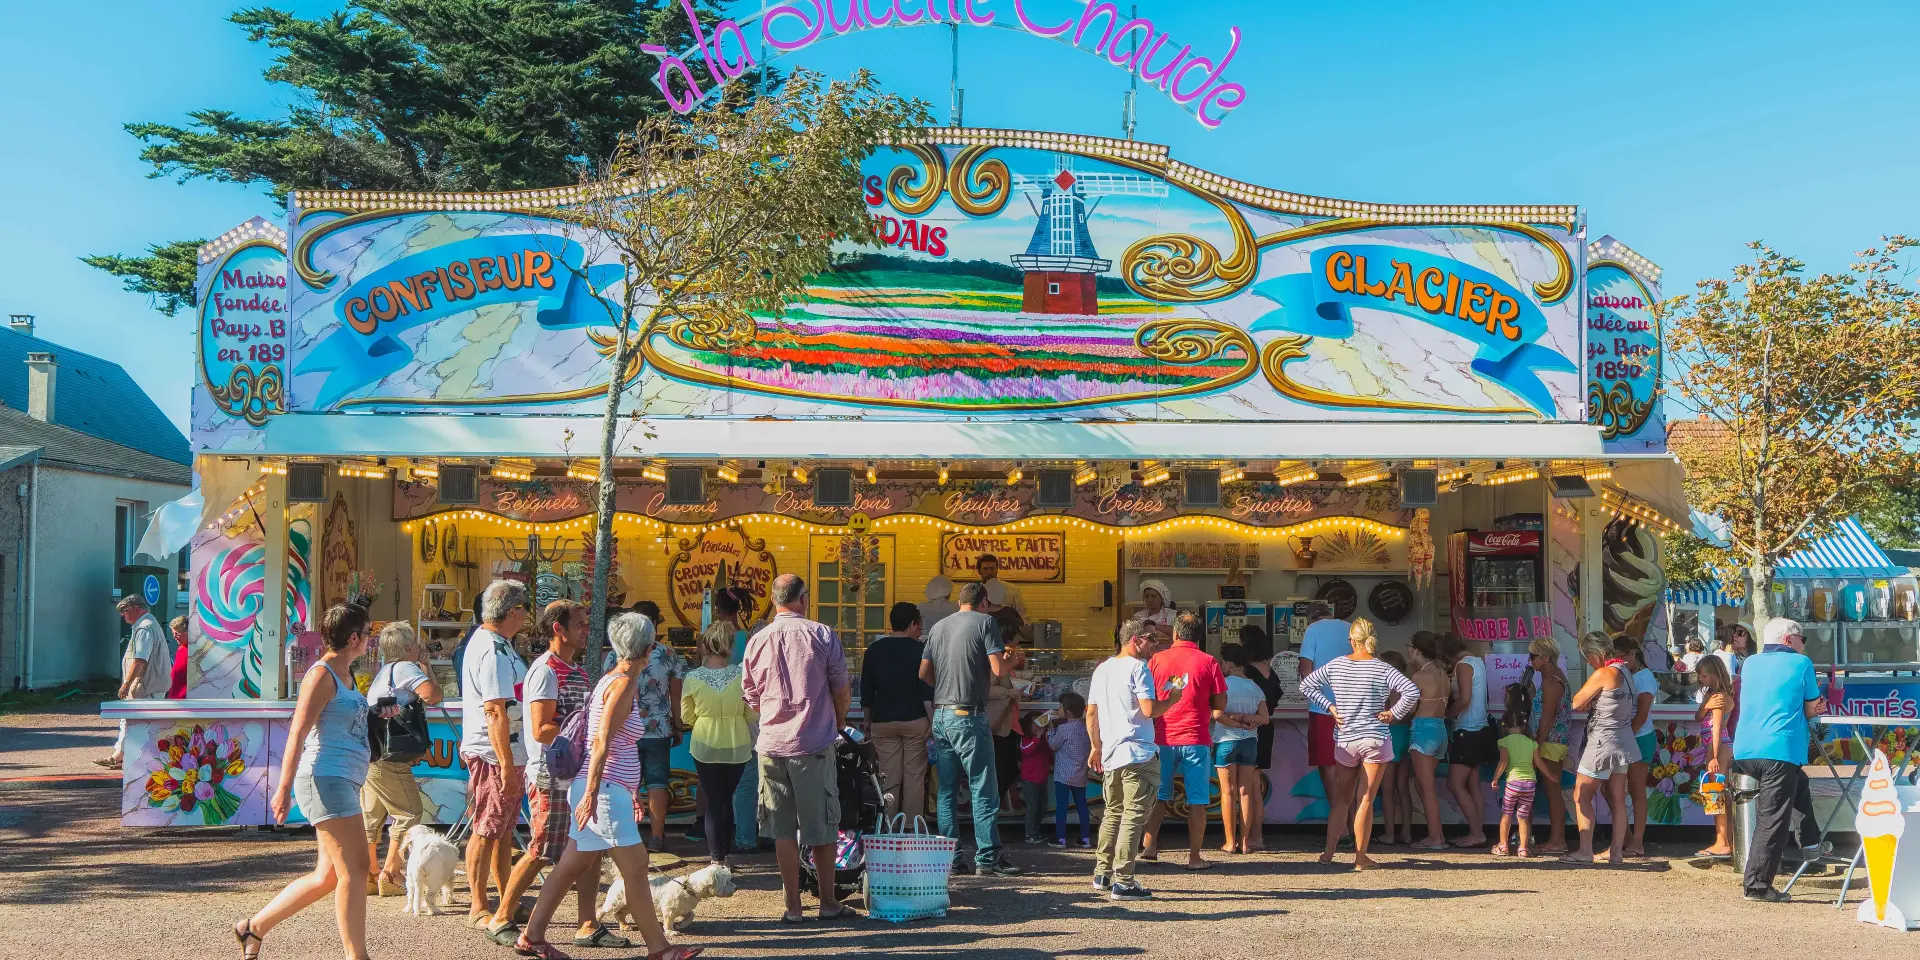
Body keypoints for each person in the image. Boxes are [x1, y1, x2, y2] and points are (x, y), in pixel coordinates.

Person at [514, 613, 699, 960]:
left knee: (572, 864)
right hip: (601, 790)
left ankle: (532, 935)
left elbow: (607, 742)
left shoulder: (612, 679)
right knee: (635, 867)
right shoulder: (623, 683)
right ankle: (659, 948)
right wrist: (594, 793)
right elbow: (600, 741)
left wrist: (624, 792)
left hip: (603, 789)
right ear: (648, 647)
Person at [234, 603, 393, 960]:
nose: (371, 641)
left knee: (328, 876)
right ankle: (357, 956)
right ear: (353, 638)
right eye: (368, 634)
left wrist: (378, 714)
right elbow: (298, 733)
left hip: (342, 779)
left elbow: (344, 722)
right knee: (355, 868)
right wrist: (284, 788)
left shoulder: (346, 675)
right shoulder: (321, 675)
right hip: (325, 779)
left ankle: (253, 927)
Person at [489, 601, 620, 948]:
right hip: (550, 775)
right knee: (543, 848)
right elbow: (540, 729)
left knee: (590, 847)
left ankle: (587, 923)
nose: (585, 630)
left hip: (573, 773)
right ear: (558, 629)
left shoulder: (573, 670)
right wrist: (583, 731)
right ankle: (501, 916)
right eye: (578, 623)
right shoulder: (546, 670)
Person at [742, 574, 855, 921]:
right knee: (821, 827)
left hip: (771, 745)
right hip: (813, 743)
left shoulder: (757, 640)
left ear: (775, 600)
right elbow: (841, 688)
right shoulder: (821, 634)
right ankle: (827, 901)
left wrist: (775, 713)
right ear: (803, 598)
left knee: (782, 830)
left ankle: (792, 905)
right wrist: (838, 720)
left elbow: (750, 695)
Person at [1299, 619, 1420, 870]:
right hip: (1375, 738)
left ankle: (1328, 853)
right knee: (1365, 799)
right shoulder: (1382, 668)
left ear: (1351, 640)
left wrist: (1329, 707)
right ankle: (1360, 857)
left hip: (1346, 739)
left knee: (1342, 801)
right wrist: (1394, 713)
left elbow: (1306, 684)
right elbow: (1411, 691)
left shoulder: (1337, 665)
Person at [919, 581, 1021, 876]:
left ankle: (951, 859)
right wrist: (1012, 658)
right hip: (969, 713)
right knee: (983, 787)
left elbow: (923, 673)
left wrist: (946, 685)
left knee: (947, 790)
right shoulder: (986, 622)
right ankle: (988, 857)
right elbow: (998, 670)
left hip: (942, 714)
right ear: (984, 603)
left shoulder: (938, 627)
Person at [1088, 620, 1193, 901]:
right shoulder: (1138, 668)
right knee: (1133, 816)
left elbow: (1091, 713)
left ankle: (1103, 873)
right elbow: (1149, 710)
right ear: (1135, 640)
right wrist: (1172, 698)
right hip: (1138, 751)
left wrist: (1096, 746)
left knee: (1113, 812)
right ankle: (1124, 880)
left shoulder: (1103, 669)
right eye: (1151, 639)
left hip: (1111, 752)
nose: (1156, 644)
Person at [1731, 617, 1827, 902]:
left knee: (1799, 783)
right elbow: (1812, 708)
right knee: (1772, 820)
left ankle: (1810, 842)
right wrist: (1815, 706)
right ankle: (1757, 886)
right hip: (1779, 750)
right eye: (1802, 639)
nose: (1803, 644)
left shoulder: (1750, 663)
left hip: (1746, 749)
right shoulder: (1801, 664)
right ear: (1789, 639)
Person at [460, 579, 531, 928]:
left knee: (501, 830)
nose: (527, 617)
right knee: (487, 828)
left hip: (506, 751)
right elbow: (494, 710)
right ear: (513, 611)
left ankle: (505, 899)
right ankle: (478, 904)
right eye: (525, 609)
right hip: (494, 753)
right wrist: (505, 763)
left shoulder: (497, 644)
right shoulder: (492, 649)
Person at [1141, 614, 1228, 870]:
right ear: (1199, 636)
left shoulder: (1157, 659)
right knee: (1197, 800)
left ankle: (1149, 846)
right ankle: (1194, 858)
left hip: (1162, 738)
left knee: (1159, 795)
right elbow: (1221, 703)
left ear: (1175, 634)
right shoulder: (1209, 661)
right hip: (1196, 738)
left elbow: (1147, 696)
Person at [362, 623, 442, 900]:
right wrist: (426, 667)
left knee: (372, 816)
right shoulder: (408, 668)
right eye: (417, 643)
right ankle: (391, 873)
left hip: (372, 752)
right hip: (391, 755)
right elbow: (433, 696)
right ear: (408, 647)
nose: (420, 647)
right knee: (410, 812)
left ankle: (370, 874)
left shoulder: (383, 672)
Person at [684, 614, 755, 867]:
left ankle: (717, 859)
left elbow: (686, 715)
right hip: (737, 742)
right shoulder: (742, 676)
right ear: (729, 646)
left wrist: (704, 716)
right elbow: (752, 712)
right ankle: (725, 854)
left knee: (714, 801)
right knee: (728, 799)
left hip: (705, 742)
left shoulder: (693, 678)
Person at [1566, 631, 1637, 865]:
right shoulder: (1626, 671)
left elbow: (1576, 702)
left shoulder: (1603, 673)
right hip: (1624, 740)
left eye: (1587, 656)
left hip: (1602, 741)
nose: (1588, 661)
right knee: (1618, 799)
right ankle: (1616, 854)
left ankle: (1585, 851)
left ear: (1595, 653)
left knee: (1581, 794)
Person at [861, 601, 933, 821]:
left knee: (888, 775)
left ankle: (889, 824)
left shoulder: (875, 649)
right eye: (919, 625)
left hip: (882, 721)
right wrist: (932, 722)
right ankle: (911, 827)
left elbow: (866, 689)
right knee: (914, 776)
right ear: (912, 624)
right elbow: (926, 692)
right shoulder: (921, 650)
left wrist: (867, 721)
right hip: (915, 720)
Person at [631, 609, 686, 854]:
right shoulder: (668, 654)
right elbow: (676, 695)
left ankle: (628, 836)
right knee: (657, 783)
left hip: (627, 729)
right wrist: (679, 724)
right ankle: (656, 836)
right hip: (659, 729)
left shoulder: (615, 656)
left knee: (626, 783)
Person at [1212, 643, 1271, 855]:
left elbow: (1217, 715)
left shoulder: (1223, 685)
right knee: (1246, 792)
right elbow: (1264, 718)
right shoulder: (1255, 687)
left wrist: (1235, 721)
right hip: (1250, 742)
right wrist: (1247, 721)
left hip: (1226, 741)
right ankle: (1246, 843)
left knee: (1228, 792)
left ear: (1228, 663)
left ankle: (1230, 842)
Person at [101, 596, 173, 768]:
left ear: (136, 609)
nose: (123, 616)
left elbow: (140, 660)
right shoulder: (148, 624)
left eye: (125, 612)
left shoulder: (144, 628)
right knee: (128, 720)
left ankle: (141, 761)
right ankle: (119, 755)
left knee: (141, 724)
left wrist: (126, 684)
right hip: (148, 684)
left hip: (147, 686)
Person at [1439, 632, 1494, 848]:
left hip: (1467, 730)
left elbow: (1464, 699)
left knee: (1454, 783)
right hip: (1480, 729)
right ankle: (1477, 830)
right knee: (1472, 784)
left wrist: (1448, 714)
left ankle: (1476, 833)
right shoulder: (1477, 661)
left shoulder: (1462, 665)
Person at [1295, 602, 1350, 807]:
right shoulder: (1351, 627)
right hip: (1353, 710)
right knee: (1350, 768)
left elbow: (1305, 669)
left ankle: (1341, 828)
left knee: (1328, 766)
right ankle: (1354, 826)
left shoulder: (1313, 630)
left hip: (1324, 711)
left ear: (1311, 618)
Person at [1404, 632, 1452, 849]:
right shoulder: (1443, 673)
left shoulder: (1418, 677)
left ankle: (1435, 838)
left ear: (1416, 650)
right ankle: (1438, 833)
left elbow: (1410, 709)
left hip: (1423, 731)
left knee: (1427, 787)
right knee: (1421, 783)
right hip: (1441, 730)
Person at [1527, 636, 1573, 853]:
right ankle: (1557, 839)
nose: (1530, 661)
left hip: (1551, 741)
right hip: (1553, 740)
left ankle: (1558, 840)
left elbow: (1548, 716)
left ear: (1545, 657)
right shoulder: (1551, 678)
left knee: (1552, 790)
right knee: (1551, 789)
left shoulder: (1552, 680)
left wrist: (1537, 742)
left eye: (1533, 656)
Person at [1614, 635, 1659, 858]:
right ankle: (1629, 838)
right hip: (1632, 736)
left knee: (1636, 789)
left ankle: (1637, 842)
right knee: (1616, 789)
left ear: (1632, 654)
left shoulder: (1645, 678)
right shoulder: (1632, 674)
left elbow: (1641, 715)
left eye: (1621, 657)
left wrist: (1625, 737)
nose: (1618, 663)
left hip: (1639, 737)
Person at [1239, 624, 1283, 851]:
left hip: (1251, 729)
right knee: (1256, 783)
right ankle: (1257, 834)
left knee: (1251, 786)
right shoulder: (1270, 669)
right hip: (1268, 728)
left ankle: (1253, 836)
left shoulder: (1247, 673)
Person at [1694, 654, 1736, 859]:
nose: (1700, 679)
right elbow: (1698, 716)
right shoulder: (1712, 696)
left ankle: (1722, 841)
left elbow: (1716, 729)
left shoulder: (1719, 698)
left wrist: (1713, 756)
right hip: (1714, 747)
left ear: (1714, 674)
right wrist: (1705, 705)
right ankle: (1726, 840)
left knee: (1716, 794)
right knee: (1719, 795)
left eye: (1703, 675)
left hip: (1717, 747)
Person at [1491, 690, 1540, 858]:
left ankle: (1503, 846)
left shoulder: (1503, 741)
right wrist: (1551, 776)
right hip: (1530, 783)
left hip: (1513, 782)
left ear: (1504, 725)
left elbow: (1503, 762)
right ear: (1524, 725)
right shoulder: (1532, 742)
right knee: (1523, 816)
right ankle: (1523, 848)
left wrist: (1496, 778)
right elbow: (1537, 763)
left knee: (1506, 813)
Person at [1375, 649, 1413, 847]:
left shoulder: (1387, 689)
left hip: (1390, 735)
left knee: (1387, 790)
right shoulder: (1407, 687)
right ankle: (1406, 832)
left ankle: (1389, 833)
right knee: (1403, 788)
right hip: (1406, 734)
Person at [1046, 691, 1093, 848]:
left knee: (1062, 807)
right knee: (1082, 806)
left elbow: (1053, 745)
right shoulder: (1086, 728)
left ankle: (1060, 838)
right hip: (1080, 775)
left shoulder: (1064, 729)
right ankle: (1085, 838)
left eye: (1060, 707)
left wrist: (1051, 729)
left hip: (1063, 777)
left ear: (1068, 712)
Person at [1018, 710, 1054, 843]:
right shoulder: (1025, 739)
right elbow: (1025, 750)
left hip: (1042, 779)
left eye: (1040, 722)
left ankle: (1035, 831)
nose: (1038, 726)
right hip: (1029, 780)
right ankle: (1029, 834)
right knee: (1032, 808)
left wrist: (1049, 730)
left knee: (1042, 808)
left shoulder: (1045, 740)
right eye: (1034, 723)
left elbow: (1052, 749)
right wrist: (1037, 739)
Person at [974, 553, 1026, 618]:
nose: (989, 572)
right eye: (985, 569)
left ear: (997, 569)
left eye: (992, 568)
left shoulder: (1012, 589)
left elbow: (1023, 616)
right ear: (979, 571)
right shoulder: (975, 592)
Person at [166, 615, 190, 699]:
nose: (174, 636)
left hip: (185, 699)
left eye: (177, 633)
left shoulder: (191, 650)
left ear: (187, 632)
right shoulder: (181, 649)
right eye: (173, 633)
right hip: (176, 697)